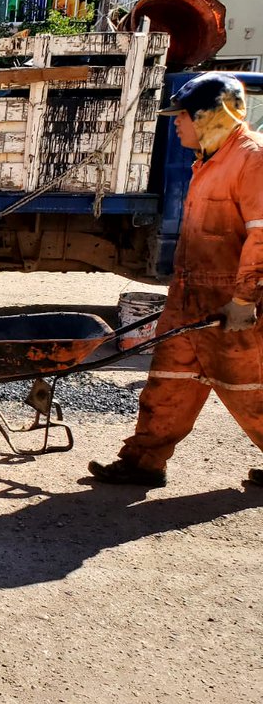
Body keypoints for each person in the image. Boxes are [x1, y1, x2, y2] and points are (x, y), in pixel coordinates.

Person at [89, 73, 263, 488]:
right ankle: (144, 461)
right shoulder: (209, 159)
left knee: (249, 387)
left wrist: (243, 300)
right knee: (169, 382)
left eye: (181, 116)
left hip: (230, 303)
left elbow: (261, 234)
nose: (176, 124)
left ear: (210, 116)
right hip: (190, 297)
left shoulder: (252, 159)